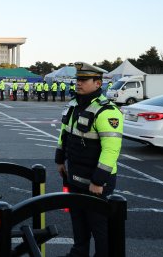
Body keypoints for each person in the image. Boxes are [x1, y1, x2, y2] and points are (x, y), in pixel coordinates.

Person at [55, 62, 123, 257]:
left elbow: (111, 149)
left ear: (97, 83)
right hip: (75, 175)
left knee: (99, 228)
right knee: (78, 223)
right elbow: (64, 134)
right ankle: (79, 253)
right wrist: (60, 160)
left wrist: (98, 180)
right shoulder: (74, 105)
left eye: (84, 80)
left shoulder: (107, 111)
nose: (79, 83)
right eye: (78, 79)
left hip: (96, 182)